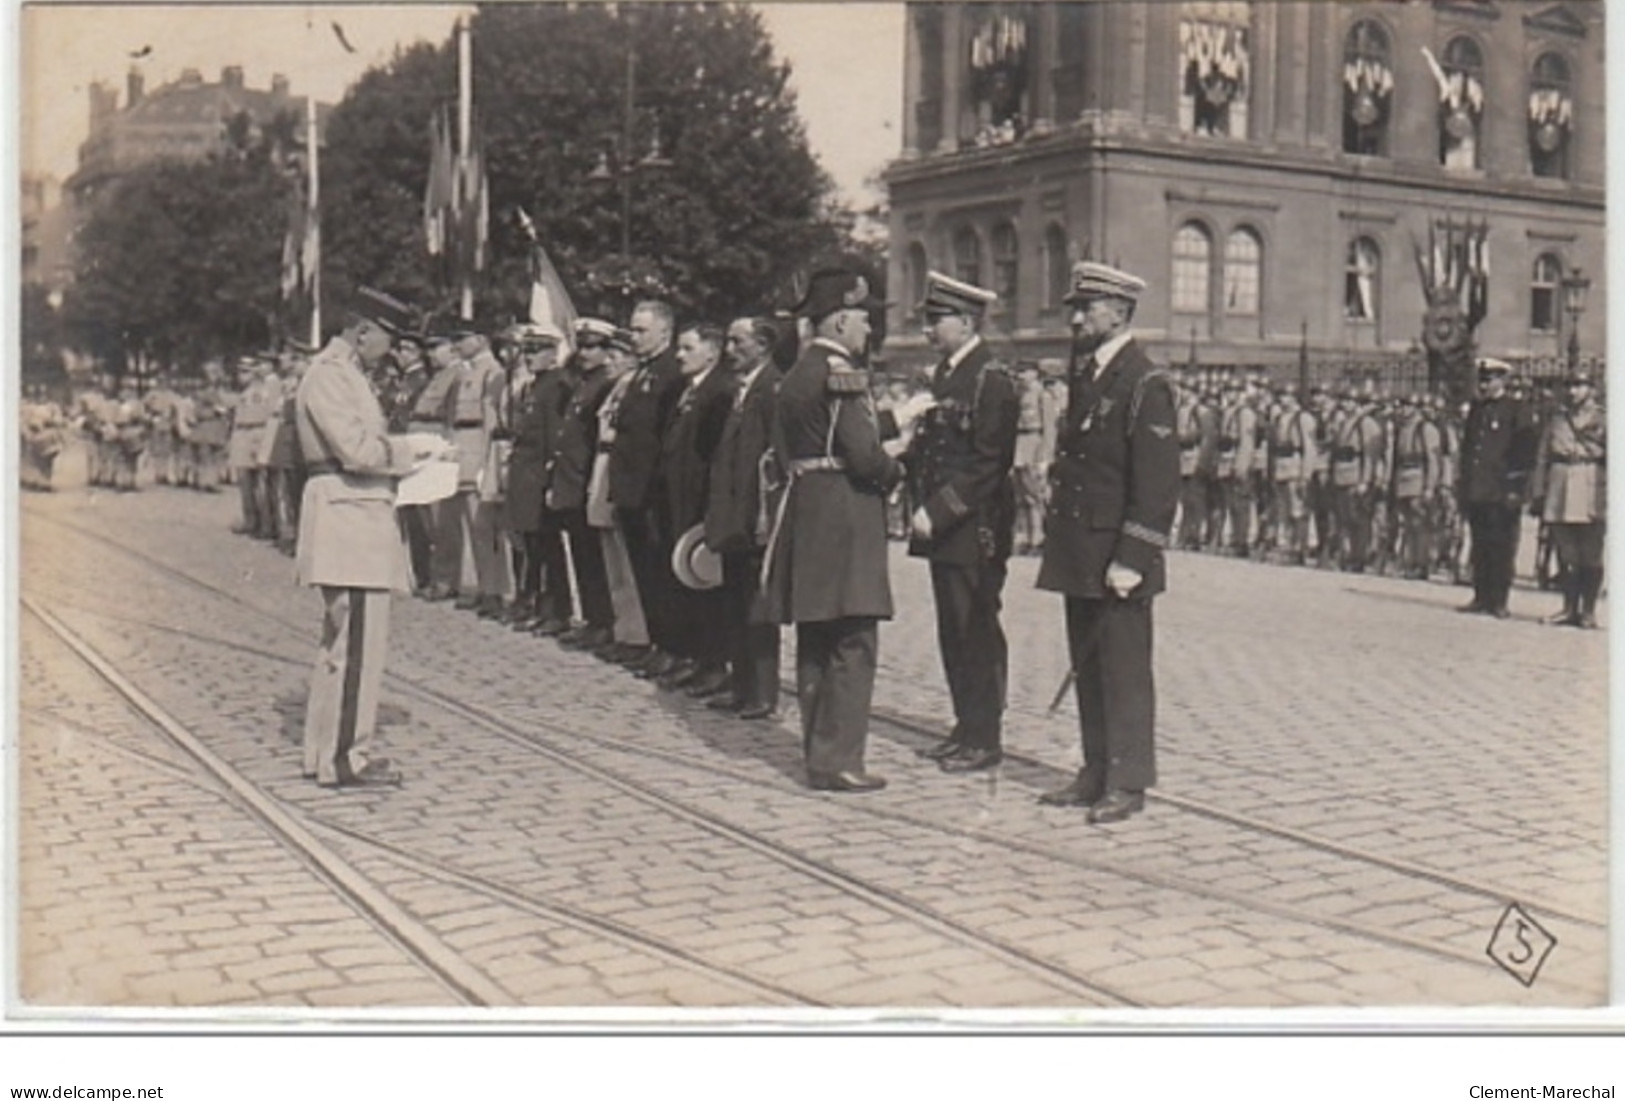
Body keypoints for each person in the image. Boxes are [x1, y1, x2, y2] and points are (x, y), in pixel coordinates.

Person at [764, 266, 929, 793]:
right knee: (854, 640)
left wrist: (890, 422)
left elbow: (821, 437)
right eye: (862, 318)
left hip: (809, 508)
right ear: (838, 320)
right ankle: (840, 761)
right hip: (846, 514)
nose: (867, 329)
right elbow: (861, 454)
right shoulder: (843, 374)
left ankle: (819, 751)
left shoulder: (795, 374)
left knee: (817, 636)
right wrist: (896, 467)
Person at [1035, 261, 1180, 825]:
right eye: (1075, 307)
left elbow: (1157, 483)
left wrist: (1134, 556)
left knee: (1123, 670)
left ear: (1118, 312)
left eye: (1086, 308)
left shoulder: (1145, 382)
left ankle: (1128, 780)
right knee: (1088, 666)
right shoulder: (1089, 372)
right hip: (1081, 547)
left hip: (1117, 555)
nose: (1075, 318)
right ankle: (1095, 769)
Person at [294, 287, 451, 788]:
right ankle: (344, 759)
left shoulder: (341, 372)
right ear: (364, 332)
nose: (392, 349)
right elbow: (357, 450)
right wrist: (413, 451)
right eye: (388, 338)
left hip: (350, 515)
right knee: (358, 647)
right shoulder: (333, 375)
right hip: (351, 518)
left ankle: (323, 754)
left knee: (341, 647)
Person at [907, 271, 1020, 774]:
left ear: (967, 321)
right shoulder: (947, 374)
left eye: (937, 320)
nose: (928, 329)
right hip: (947, 530)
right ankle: (965, 725)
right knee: (952, 629)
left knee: (975, 627)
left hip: (975, 528)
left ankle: (985, 736)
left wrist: (938, 509)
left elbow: (988, 463)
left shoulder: (990, 377)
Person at [704, 317, 784, 720]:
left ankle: (764, 692)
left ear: (763, 345)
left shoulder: (772, 389)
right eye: (728, 341)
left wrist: (766, 518)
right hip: (734, 516)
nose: (729, 349)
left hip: (756, 517)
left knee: (757, 606)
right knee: (734, 601)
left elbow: (774, 461)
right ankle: (742, 685)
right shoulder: (743, 390)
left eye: (738, 342)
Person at [657, 323, 737, 696]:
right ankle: (697, 657)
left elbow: (716, 456)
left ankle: (715, 662)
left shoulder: (719, 390)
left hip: (701, 501)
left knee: (708, 586)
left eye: (688, 348)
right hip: (678, 498)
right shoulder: (687, 390)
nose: (679, 355)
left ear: (711, 352)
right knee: (686, 582)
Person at [610, 299, 687, 678]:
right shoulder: (643, 372)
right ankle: (657, 642)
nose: (634, 337)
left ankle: (673, 645)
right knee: (643, 571)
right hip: (630, 488)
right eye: (633, 329)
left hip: (652, 491)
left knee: (661, 572)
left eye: (641, 330)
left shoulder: (672, 372)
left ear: (664, 331)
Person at [549, 318, 622, 652]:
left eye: (593, 347)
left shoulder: (606, 385)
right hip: (570, 477)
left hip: (587, 479)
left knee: (595, 556)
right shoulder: (582, 384)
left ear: (608, 351)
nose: (585, 353)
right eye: (582, 346)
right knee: (582, 554)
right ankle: (594, 619)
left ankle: (605, 622)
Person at [1458, 358, 1538, 618]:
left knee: (1501, 545)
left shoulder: (1516, 409)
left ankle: (1499, 599)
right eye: (1482, 379)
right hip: (1479, 488)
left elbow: (1524, 452)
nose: (1484, 384)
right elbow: (1470, 449)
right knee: (1480, 543)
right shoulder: (1477, 409)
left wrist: (1515, 487)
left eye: (1489, 379)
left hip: (1502, 489)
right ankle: (1481, 595)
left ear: (1502, 381)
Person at [1531, 363, 1605, 628]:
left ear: (1591, 389)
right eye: (1570, 386)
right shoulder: (1557, 419)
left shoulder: (1603, 419)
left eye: (1579, 386)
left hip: (1590, 487)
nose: (1573, 391)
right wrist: (1539, 492)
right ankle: (1568, 608)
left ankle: (1588, 611)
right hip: (1560, 488)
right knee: (1566, 553)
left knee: (1591, 554)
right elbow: (1542, 458)